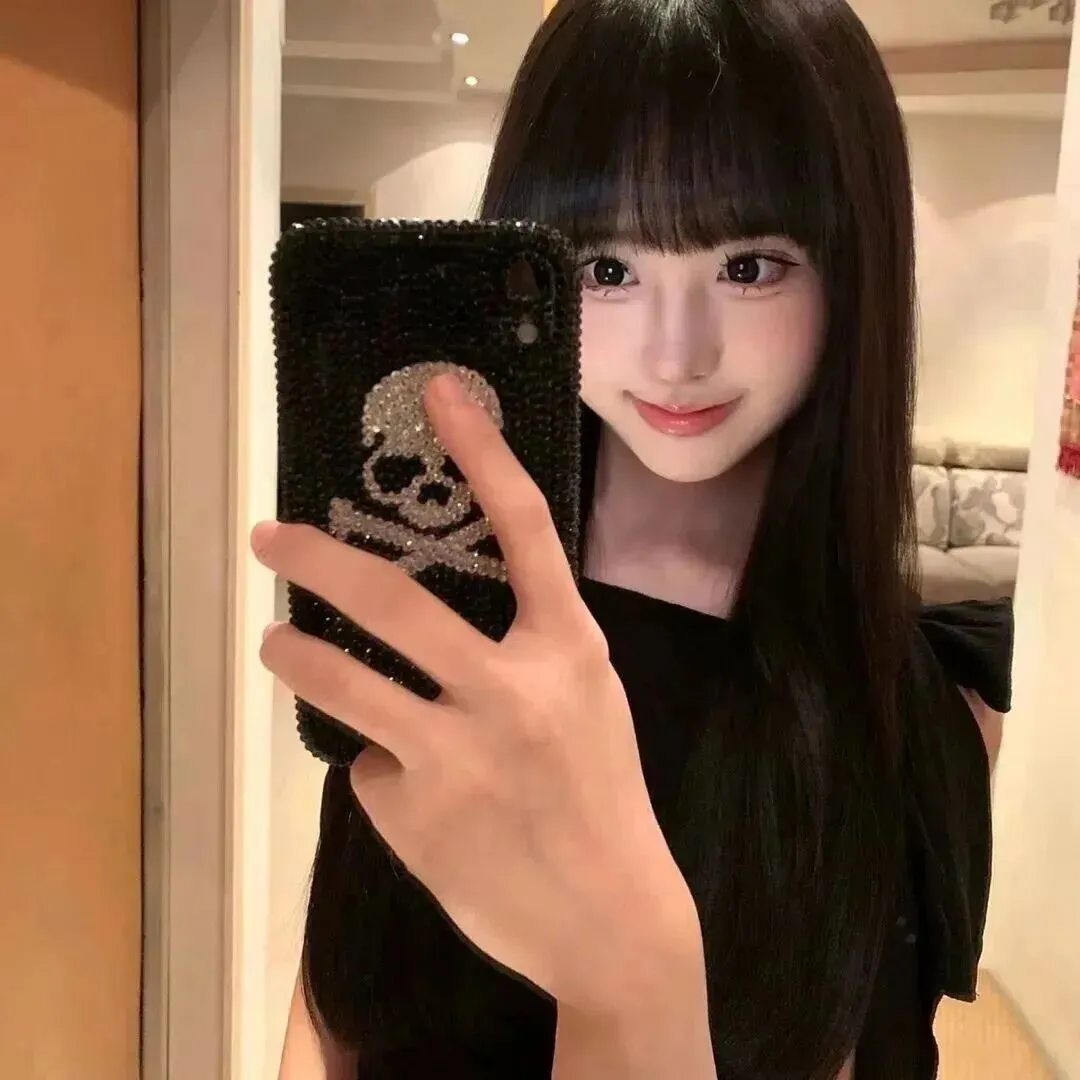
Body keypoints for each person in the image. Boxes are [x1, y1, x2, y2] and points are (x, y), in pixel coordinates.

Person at [259, 0, 1013, 1077]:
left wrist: (630, 975)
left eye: (750, 265)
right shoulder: (454, 599)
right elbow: (332, 1004)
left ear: (855, 267)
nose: (674, 356)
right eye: (607, 269)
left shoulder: (927, 710)